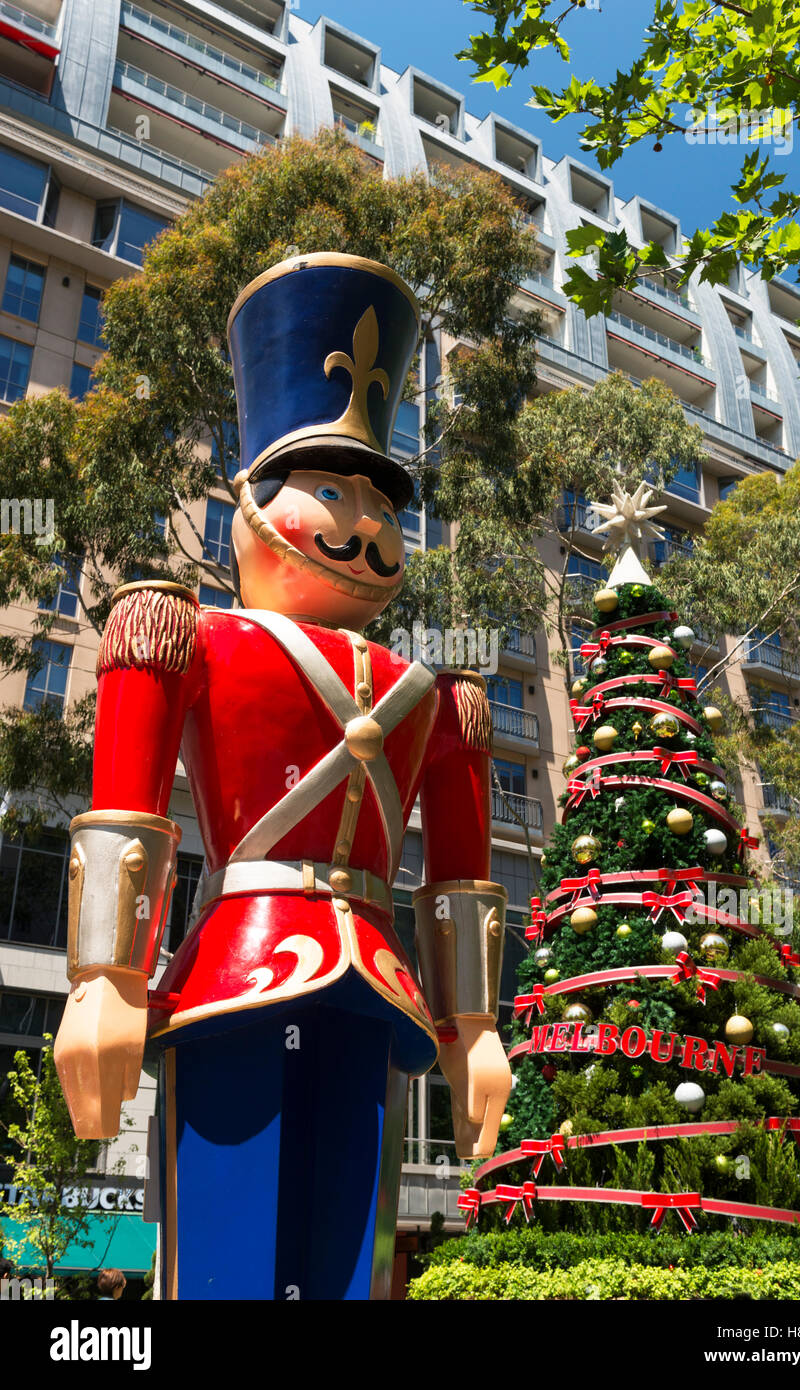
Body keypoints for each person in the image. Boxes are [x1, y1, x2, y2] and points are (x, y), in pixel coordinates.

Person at [53, 253, 511, 1301]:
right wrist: (104, 981)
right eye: (329, 489)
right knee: (225, 1251)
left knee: (350, 1253)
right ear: (251, 501)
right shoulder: (179, 628)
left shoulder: (444, 695)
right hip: (236, 972)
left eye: (378, 501)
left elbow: (458, 871)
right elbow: (123, 801)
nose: (360, 524)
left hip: (376, 990)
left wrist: (473, 1026)